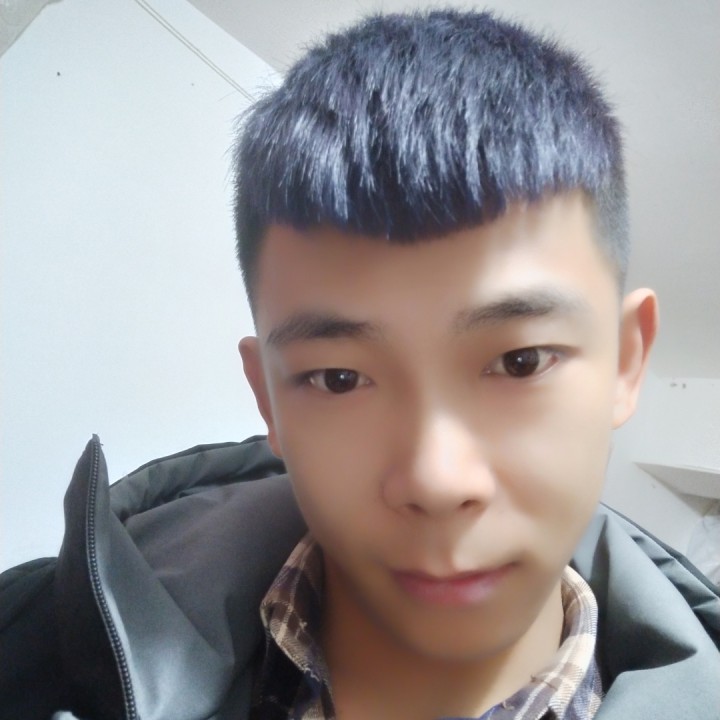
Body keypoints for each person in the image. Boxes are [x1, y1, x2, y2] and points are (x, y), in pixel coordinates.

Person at [1, 9, 718, 720]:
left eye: (520, 361)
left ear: (625, 363)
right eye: (339, 379)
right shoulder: (28, 640)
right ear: (267, 398)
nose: (436, 481)